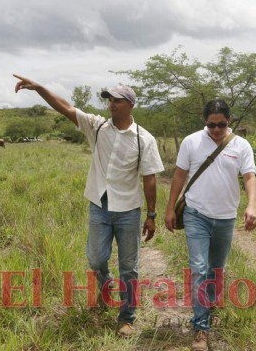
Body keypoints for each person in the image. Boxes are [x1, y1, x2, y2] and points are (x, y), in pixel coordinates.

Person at [13, 74, 164, 337]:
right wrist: (38, 88)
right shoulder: (97, 127)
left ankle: (127, 317)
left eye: (117, 101)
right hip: (99, 205)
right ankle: (107, 291)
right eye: (109, 100)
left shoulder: (144, 139)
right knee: (96, 259)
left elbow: (150, 179)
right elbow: (65, 107)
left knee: (129, 267)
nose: (111, 105)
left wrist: (151, 215)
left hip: (128, 210)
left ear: (130, 105)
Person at [163, 100, 256, 351]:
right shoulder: (191, 142)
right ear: (205, 122)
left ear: (229, 121)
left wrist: (252, 206)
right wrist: (170, 207)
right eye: (211, 125)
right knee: (198, 269)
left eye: (222, 125)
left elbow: (249, 177)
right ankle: (200, 328)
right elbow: (179, 175)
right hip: (196, 214)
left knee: (217, 269)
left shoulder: (241, 145)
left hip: (226, 217)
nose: (216, 129)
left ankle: (212, 304)